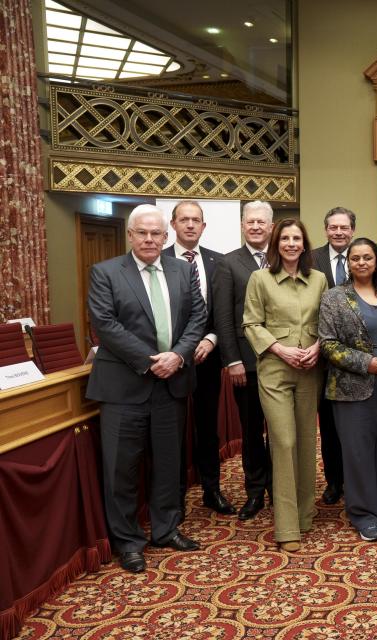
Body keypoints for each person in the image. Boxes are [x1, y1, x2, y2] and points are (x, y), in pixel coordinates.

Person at [86, 204, 205, 573]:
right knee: (122, 468)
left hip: (172, 383)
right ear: (131, 235)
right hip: (125, 386)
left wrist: (179, 356)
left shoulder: (183, 270)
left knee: (169, 464)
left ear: (166, 236)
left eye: (156, 234)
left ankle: (166, 528)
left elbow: (198, 316)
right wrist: (153, 360)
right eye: (143, 233)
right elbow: (105, 324)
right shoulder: (105, 272)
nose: (150, 239)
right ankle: (128, 541)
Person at [319, 238, 377, 541]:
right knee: (358, 452)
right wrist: (367, 363)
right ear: (348, 262)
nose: (361, 262)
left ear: (376, 261)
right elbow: (328, 344)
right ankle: (362, 513)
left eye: (367, 257)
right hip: (352, 385)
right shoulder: (334, 297)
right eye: (355, 258)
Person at [244, 219, 327, 552]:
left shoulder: (318, 279)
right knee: (284, 440)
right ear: (275, 244)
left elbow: (328, 322)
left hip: (310, 368)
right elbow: (251, 322)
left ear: (305, 244)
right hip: (275, 369)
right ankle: (287, 526)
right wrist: (281, 349)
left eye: (297, 238)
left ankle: (305, 515)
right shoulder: (260, 279)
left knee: (307, 441)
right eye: (285, 238)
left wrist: (318, 347)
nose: (291, 243)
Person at [163, 200, 234, 516]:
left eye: (196, 220)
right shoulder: (159, 259)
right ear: (173, 224)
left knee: (207, 427)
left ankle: (211, 490)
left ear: (204, 227)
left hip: (208, 357)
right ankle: (175, 497)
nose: (190, 225)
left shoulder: (219, 262)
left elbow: (226, 310)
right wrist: (179, 350)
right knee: (173, 430)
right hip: (169, 361)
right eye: (184, 220)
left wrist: (210, 338)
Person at [212, 201, 274, 521]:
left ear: (271, 227)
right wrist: (231, 359)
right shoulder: (228, 263)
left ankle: (279, 488)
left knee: (279, 430)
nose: (256, 227)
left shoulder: (283, 259)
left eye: (261, 222)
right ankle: (255, 491)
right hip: (245, 363)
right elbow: (222, 315)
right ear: (242, 225)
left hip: (281, 361)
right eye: (250, 222)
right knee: (252, 430)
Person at [309, 206, 355, 505]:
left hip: (358, 358)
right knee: (328, 424)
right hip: (323, 356)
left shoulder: (364, 255)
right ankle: (334, 481)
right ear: (326, 230)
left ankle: (356, 479)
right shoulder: (310, 259)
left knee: (355, 425)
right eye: (333, 227)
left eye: (344, 227)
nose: (339, 232)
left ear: (352, 230)